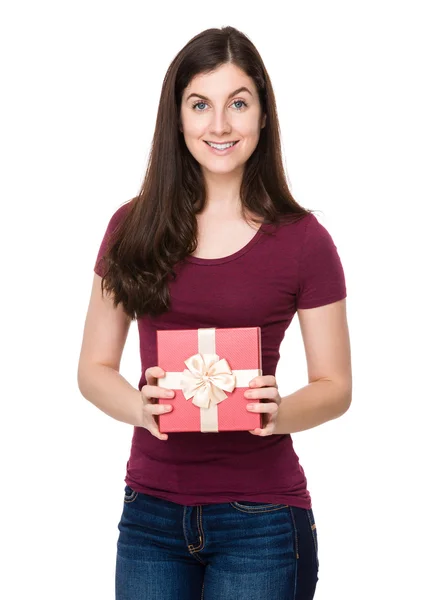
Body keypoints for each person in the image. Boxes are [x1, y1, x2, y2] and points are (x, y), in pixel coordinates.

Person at [77, 25, 352, 600]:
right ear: (177, 119)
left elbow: (336, 386)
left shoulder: (305, 241)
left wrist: (280, 410)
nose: (220, 125)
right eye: (200, 104)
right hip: (149, 515)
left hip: (264, 521)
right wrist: (139, 405)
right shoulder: (131, 228)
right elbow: (93, 368)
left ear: (263, 116)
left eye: (239, 103)